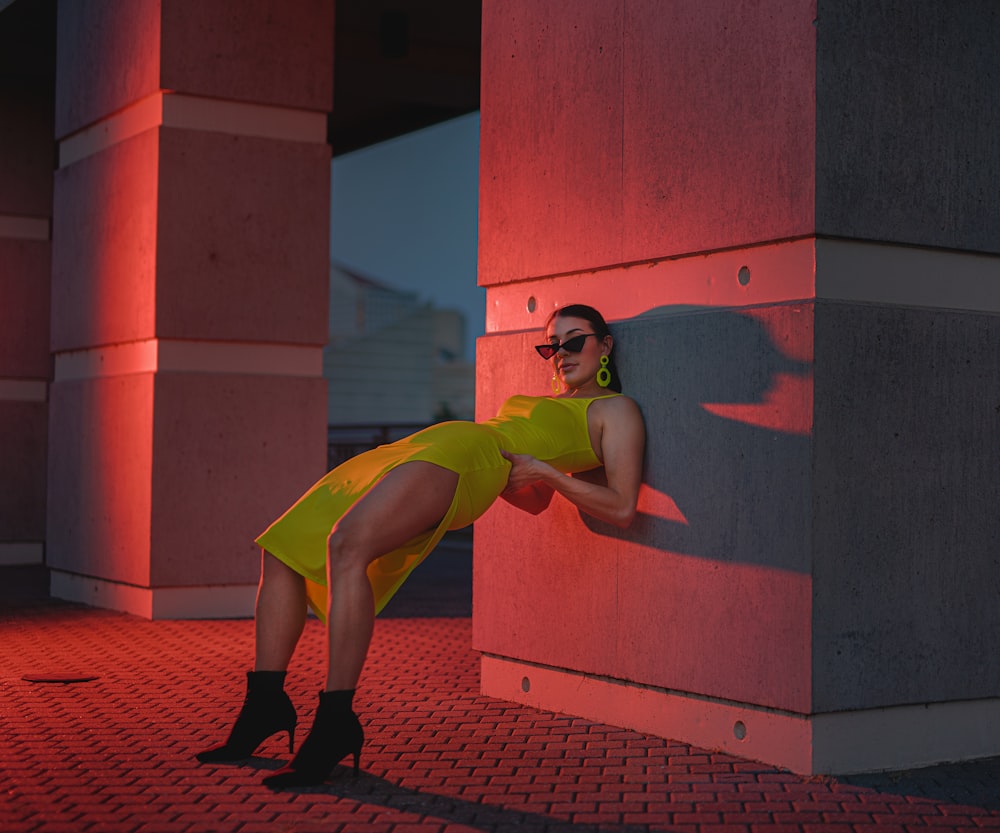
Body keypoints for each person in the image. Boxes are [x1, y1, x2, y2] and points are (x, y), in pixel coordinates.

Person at [195, 303, 646, 788]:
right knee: (283, 545)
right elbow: (533, 503)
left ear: (606, 344)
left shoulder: (615, 410)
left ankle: (335, 723)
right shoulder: (555, 404)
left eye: (574, 341)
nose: (560, 354)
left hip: (466, 458)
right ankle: (264, 705)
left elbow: (621, 506)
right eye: (551, 346)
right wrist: (528, 476)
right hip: (437, 446)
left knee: (347, 546)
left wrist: (547, 471)